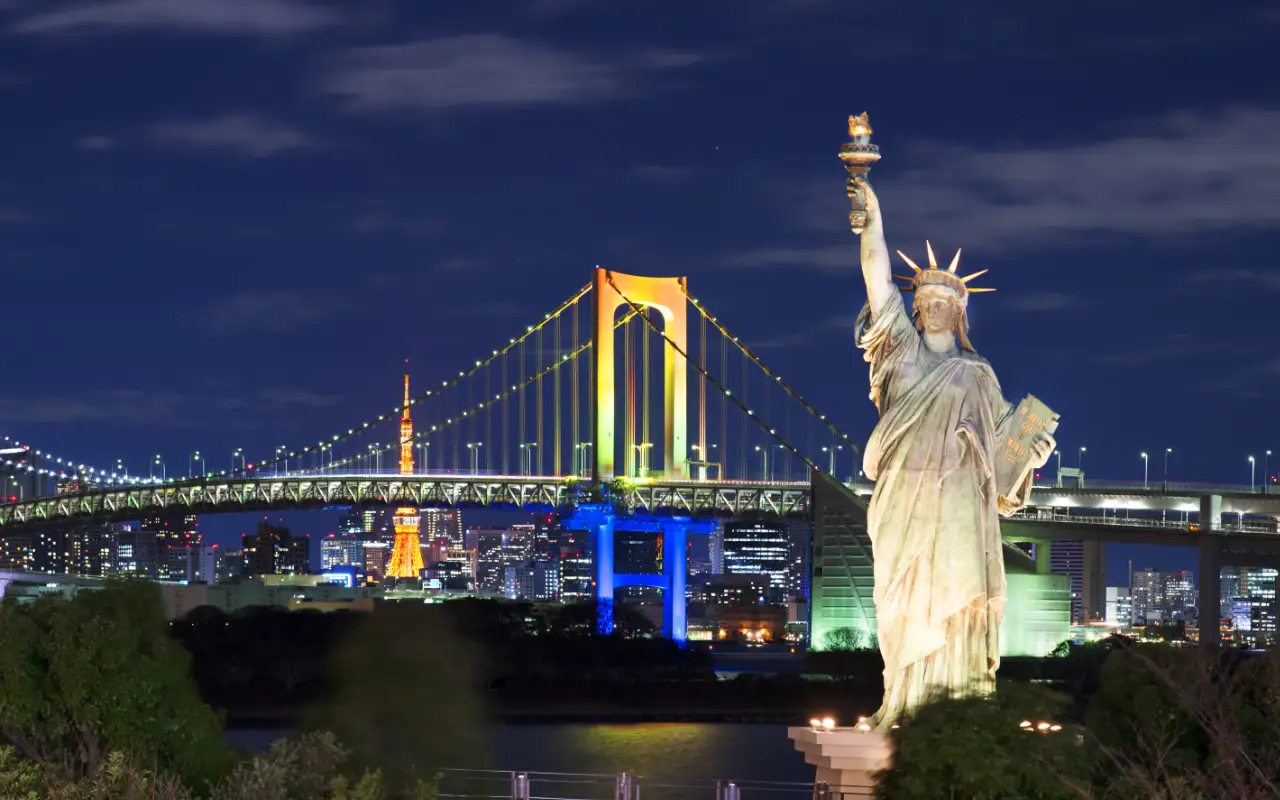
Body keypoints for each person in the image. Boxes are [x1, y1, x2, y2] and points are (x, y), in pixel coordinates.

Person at [852, 177, 1055, 729]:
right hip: (905, 500)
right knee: (902, 602)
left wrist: (1029, 458)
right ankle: (904, 700)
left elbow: (997, 461)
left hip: (962, 504)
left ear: (960, 313)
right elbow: (875, 279)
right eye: (926, 301)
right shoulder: (899, 356)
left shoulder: (978, 374)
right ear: (915, 309)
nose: (935, 309)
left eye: (945, 302)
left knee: (959, 599)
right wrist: (872, 216)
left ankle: (958, 712)